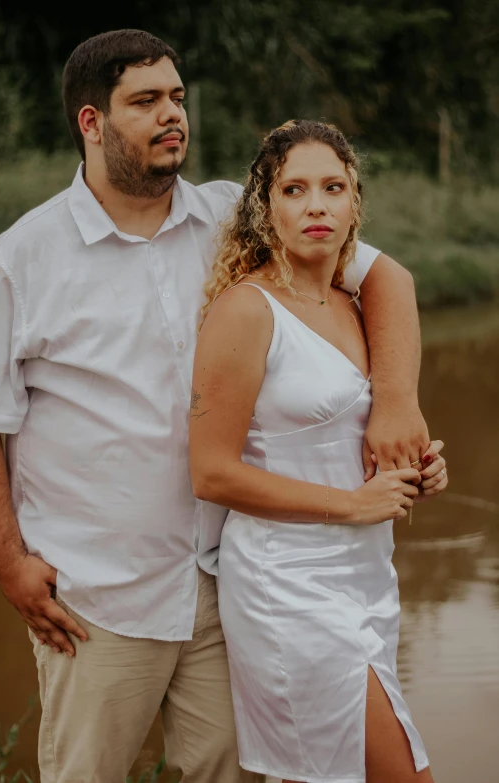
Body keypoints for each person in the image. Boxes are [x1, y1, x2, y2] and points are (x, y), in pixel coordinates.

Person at [0, 28, 432, 783]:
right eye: (146, 101)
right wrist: (8, 563)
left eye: (178, 98)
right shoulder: (20, 261)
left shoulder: (237, 219)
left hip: (229, 587)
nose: (172, 115)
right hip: (98, 595)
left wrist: (396, 400)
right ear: (91, 122)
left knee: (231, 773)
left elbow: (385, 278)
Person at [189, 120, 448, 783]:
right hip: (287, 583)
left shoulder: (354, 305)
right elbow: (211, 471)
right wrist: (353, 503)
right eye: (295, 189)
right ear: (266, 206)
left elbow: (352, 436)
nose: (316, 205)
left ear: (355, 202)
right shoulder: (247, 310)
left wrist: (415, 467)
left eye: (333, 187)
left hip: (366, 575)